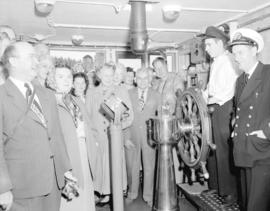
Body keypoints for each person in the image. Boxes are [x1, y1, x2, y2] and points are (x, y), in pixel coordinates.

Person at [0, 41, 72, 211]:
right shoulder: (2, 95)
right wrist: (2, 187)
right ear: (13, 61)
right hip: (22, 187)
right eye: (31, 57)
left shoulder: (46, 94)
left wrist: (65, 171)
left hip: (52, 185)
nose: (37, 62)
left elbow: (56, 136)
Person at [231, 28, 270, 211]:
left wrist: (266, 132)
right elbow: (238, 111)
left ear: (254, 50)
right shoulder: (240, 81)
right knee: (246, 204)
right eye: (234, 53)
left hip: (262, 151)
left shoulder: (268, 74)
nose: (236, 57)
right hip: (243, 149)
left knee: (257, 206)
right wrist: (234, 127)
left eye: (240, 52)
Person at [201, 26, 239, 205]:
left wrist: (213, 98)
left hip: (224, 109)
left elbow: (232, 88)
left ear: (219, 43)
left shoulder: (229, 61)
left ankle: (230, 193)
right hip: (212, 109)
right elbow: (211, 87)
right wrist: (202, 95)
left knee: (224, 151)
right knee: (212, 148)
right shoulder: (216, 62)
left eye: (209, 45)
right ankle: (215, 185)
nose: (206, 49)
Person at [85, 63, 133, 206]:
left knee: (115, 167)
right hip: (99, 137)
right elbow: (88, 117)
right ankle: (106, 193)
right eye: (105, 75)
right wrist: (92, 137)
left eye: (111, 75)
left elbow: (129, 116)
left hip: (115, 138)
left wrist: (117, 128)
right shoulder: (91, 92)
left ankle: (115, 194)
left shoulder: (121, 90)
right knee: (102, 167)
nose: (109, 78)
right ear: (99, 76)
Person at [52, 66, 96, 211]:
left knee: (84, 190)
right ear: (52, 80)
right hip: (64, 154)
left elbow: (88, 125)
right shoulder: (50, 102)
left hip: (82, 150)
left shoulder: (77, 100)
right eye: (60, 77)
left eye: (68, 77)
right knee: (70, 194)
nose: (65, 80)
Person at [126, 67, 161, 207]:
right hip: (132, 136)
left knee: (149, 167)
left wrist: (158, 137)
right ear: (135, 79)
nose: (142, 81)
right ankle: (132, 193)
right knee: (131, 166)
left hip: (150, 137)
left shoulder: (157, 95)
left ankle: (149, 196)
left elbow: (161, 117)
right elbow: (123, 117)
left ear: (150, 79)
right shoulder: (128, 94)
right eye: (139, 78)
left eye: (145, 78)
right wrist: (125, 137)